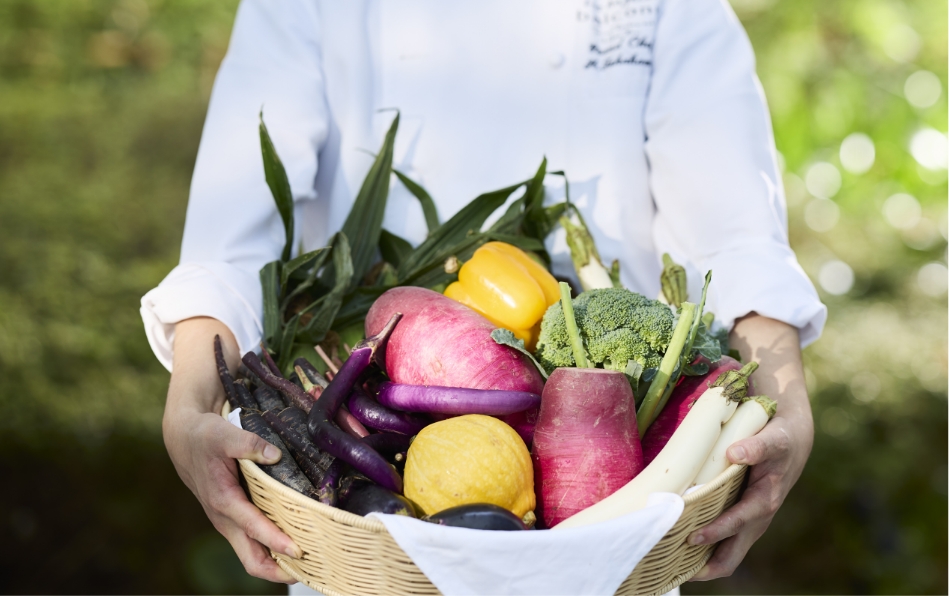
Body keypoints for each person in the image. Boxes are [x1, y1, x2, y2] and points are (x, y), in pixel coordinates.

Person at [142, 0, 827, 591]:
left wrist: (785, 396)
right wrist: (189, 403)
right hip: (374, 550)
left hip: (615, 528)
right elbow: (232, 249)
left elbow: (735, 242)